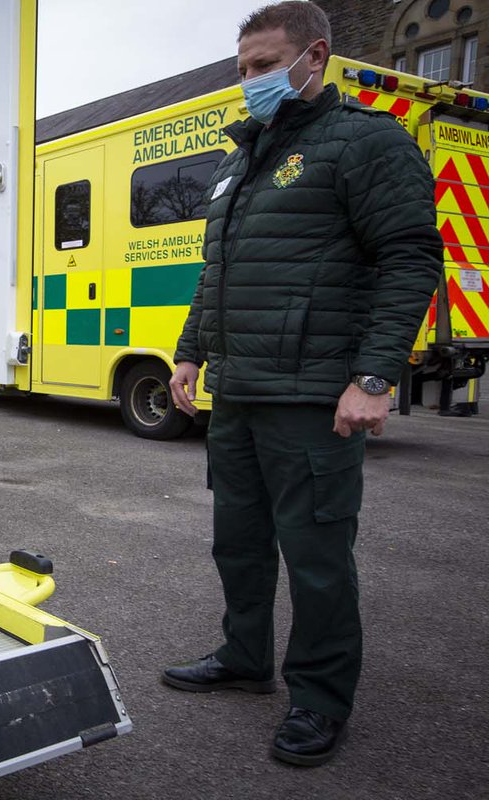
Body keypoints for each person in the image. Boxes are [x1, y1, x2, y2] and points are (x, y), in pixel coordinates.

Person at [161, 1, 442, 767]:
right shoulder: (239, 160)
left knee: (317, 558)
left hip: (312, 397)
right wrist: (191, 353)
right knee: (239, 545)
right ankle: (244, 658)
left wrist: (375, 376)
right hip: (241, 393)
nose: (247, 82)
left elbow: (412, 258)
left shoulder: (366, 143)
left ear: (315, 55)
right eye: (242, 69)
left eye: (262, 66)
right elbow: (215, 276)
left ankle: (319, 699)